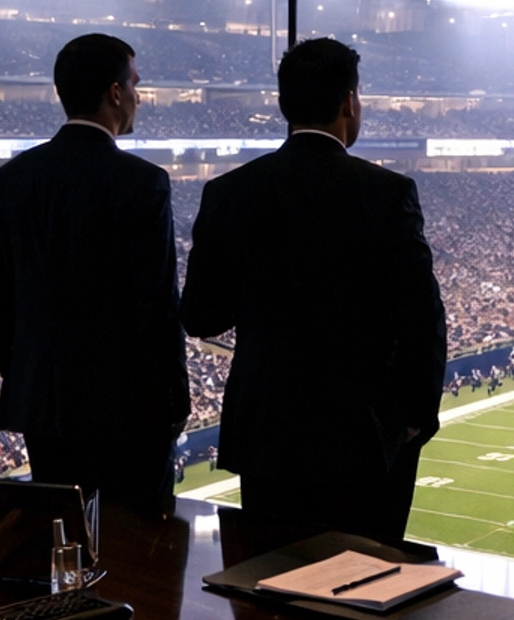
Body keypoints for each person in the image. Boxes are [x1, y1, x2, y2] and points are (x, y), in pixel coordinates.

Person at [180, 36, 446, 543]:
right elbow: (422, 317)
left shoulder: (230, 193)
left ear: (284, 104)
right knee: (365, 593)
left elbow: (200, 316)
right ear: (349, 101)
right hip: (363, 434)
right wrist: (414, 420)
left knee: (270, 590)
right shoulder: (386, 194)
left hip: (267, 432)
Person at [0, 34, 189, 517]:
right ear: (115, 93)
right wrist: (174, 399)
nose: (139, 96)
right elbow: (156, 304)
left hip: (46, 405)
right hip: (131, 407)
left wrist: (28, 371)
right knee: (140, 552)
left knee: (61, 545)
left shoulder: (10, 181)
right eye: (135, 84)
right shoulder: (142, 182)